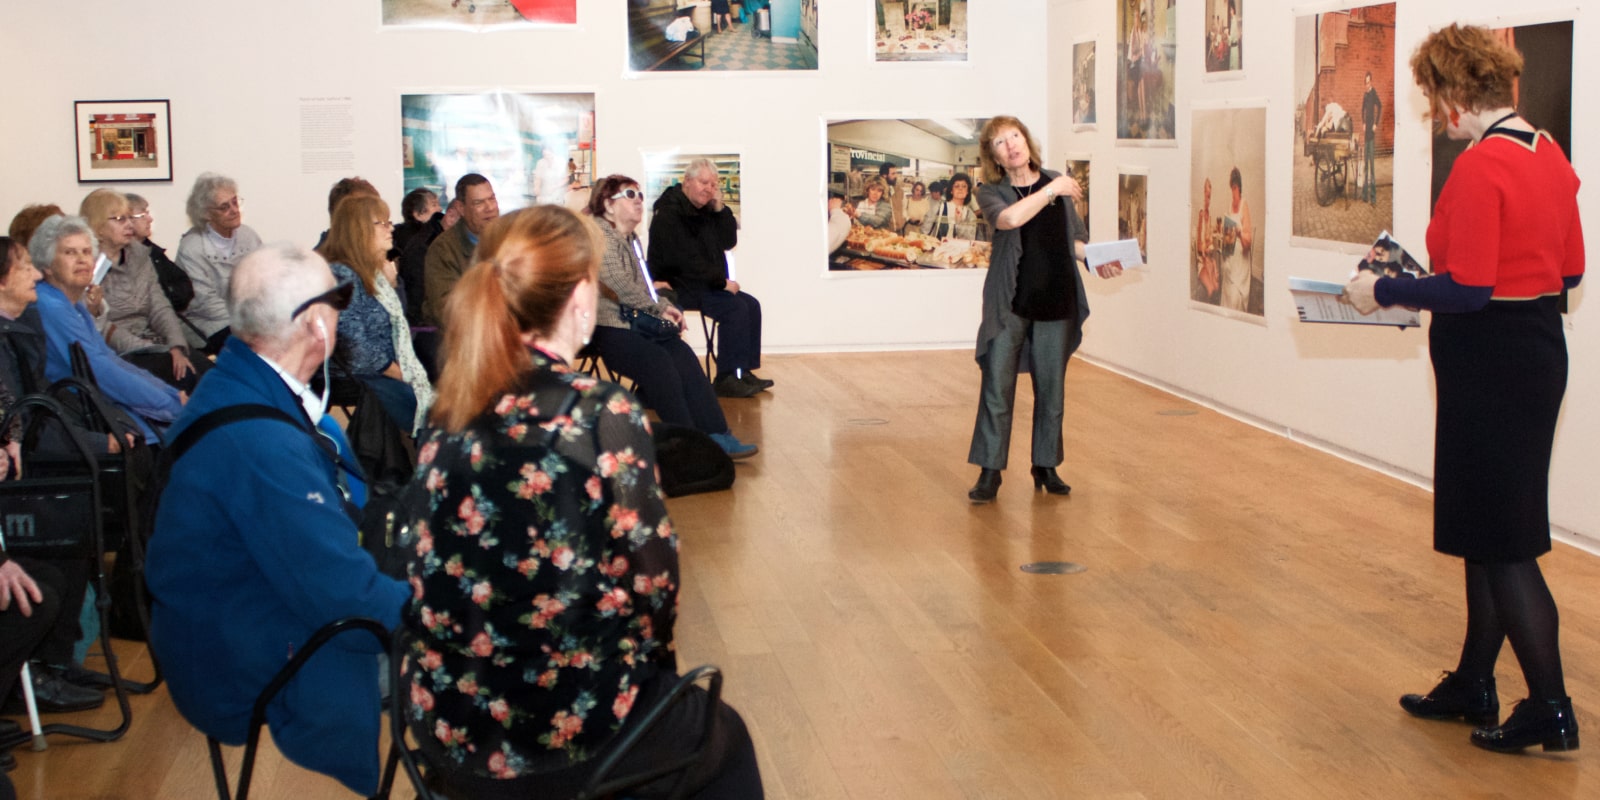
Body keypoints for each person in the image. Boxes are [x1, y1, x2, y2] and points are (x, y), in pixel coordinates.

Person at [400, 205, 763, 800]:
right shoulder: (599, 412)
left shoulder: (448, 411)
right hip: (563, 738)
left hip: (451, 724)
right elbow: (654, 589)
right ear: (580, 297)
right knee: (723, 736)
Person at [1344, 24, 1584, 754]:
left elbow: (1472, 286)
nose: (1434, 111)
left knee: (1507, 544)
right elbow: (1570, 275)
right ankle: (1476, 681)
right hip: (1535, 351)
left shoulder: (1481, 167)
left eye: (1433, 96)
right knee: (1490, 530)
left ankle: (1550, 707)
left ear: (1452, 94)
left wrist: (1383, 288)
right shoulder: (1548, 153)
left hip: (1491, 365)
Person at [145, 242, 411, 796]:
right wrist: (452, 615)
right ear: (317, 324)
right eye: (338, 299)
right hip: (239, 651)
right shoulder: (261, 445)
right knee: (483, 662)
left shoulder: (242, 382)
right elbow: (346, 597)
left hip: (228, 612)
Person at [0, 237, 111, 717]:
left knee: (78, 524)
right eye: (25, 267)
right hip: (24, 472)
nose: (37, 275)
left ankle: (56, 662)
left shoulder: (22, 323)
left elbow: (28, 410)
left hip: (25, 461)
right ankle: (32, 677)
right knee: (58, 535)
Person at [966, 116, 1099, 503]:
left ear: (1026, 140)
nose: (1011, 145)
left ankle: (1046, 465)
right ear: (993, 156)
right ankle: (990, 471)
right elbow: (1009, 220)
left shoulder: (1054, 179)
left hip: (1057, 299)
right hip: (1010, 304)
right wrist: (1051, 190)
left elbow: (1072, 241)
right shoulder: (991, 191)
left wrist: (1097, 258)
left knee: (1051, 389)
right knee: (997, 387)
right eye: (1000, 143)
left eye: (1015, 136)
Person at [586, 174, 757, 455]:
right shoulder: (600, 236)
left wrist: (657, 297)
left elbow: (637, 285)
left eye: (640, 195)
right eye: (630, 195)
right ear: (607, 204)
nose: (639, 201)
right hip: (613, 330)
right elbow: (620, 286)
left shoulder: (630, 239)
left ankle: (718, 435)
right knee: (661, 364)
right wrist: (662, 307)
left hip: (638, 323)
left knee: (684, 357)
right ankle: (690, 445)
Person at [31, 216, 184, 444]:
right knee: (183, 432)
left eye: (86, 252)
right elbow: (99, 370)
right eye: (70, 253)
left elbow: (110, 359)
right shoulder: (49, 306)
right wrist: (171, 405)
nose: (82, 260)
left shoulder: (74, 306)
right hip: (77, 416)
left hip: (94, 403)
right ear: (47, 265)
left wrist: (170, 396)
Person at [648, 159, 770, 398]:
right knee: (734, 308)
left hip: (702, 283)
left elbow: (728, 242)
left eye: (714, 185)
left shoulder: (704, 210)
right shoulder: (670, 212)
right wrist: (721, 283)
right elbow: (685, 260)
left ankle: (741, 371)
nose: (709, 189)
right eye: (704, 182)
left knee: (751, 305)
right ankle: (727, 378)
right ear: (687, 182)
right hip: (677, 285)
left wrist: (720, 209)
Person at [323, 194, 434, 434]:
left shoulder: (373, 271)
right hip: (357, 376)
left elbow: (400, 320)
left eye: (389, 221)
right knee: (428, 410)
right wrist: (402, 374)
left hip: (383, 368)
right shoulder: (343, 274)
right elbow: (357, 349)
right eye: (382, 223)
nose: (390, 228)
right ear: (358, 230)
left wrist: (394, 283)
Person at [78, 189, 205, 393]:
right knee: (185, 379)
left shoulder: (140, 255)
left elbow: (160, 306)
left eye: (129, 217)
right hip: (120, 351)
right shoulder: (85, 264)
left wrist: (176, 345)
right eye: (119, 219)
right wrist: (154, 349)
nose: (129, 225)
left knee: (211, 376)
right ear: (98, 227)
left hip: (156, 341)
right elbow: (103, 326)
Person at [175, 173, 262, 355]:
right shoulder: (192, 248)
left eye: (235, 202)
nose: (234, 210)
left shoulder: (248, 236)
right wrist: (248, 321)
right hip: (209, 324)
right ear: (206, 213)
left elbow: (265, 280)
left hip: (249, 318)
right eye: (224, 207)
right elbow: (204, 303)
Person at [424, 173, 499, 328]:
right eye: (479, 203)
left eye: (492, 199)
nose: (490, 208)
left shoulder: (511, 239)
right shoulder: (443, 250)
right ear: (460, 208)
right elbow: (446, 311)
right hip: (467, 340)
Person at [126, 193, 197, 318]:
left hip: (171, 317)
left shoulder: (153, 252)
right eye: (143, 215)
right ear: (126, 220)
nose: (150, 219)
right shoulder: (121, 258)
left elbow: (184, 285)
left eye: (147, 213)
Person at [1217, 167, 1253, 312]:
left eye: (1234, 189)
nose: (1232, 193)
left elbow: (1248, 242)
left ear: (1237, 187)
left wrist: (1238, 232)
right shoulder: (1230, 205)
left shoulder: (1244, 205)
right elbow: (1228, 235)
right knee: (1227, 293)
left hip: (1240, 263)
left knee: (1234, 298)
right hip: (1230, 258)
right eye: (1231, 189)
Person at [923, 173, 982, 241]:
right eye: (957, 186)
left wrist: (959, 223)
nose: (960, 188)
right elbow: (930, 229)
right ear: (951, 190)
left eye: (964, 186)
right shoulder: (941, 207)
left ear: (967, 191)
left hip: (963, 250)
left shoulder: (970, 213)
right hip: (942, 249)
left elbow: (972, 238)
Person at [394, 188, 442, 255]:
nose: (440, 209)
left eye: (438, 204)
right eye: (434, 205)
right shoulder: (416, 240)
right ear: (418, 214)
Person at [1194, 178, 1219, 302]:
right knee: (1210, 288)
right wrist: (1207, 247)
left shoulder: (1210, 215)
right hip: (1201, 262)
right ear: (1203, 194)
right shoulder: (1201, 214)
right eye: (1206, 196)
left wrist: (1209, 245)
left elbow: (1210, 241)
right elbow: (1200, 247)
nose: (1208, 200)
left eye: (1210, 197)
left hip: (1209, 259)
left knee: (1216, 286)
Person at [1362, 71, 1382, 205]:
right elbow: (1361, 110)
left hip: (1372, 133)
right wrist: (1363, 122)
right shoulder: (1365, 95)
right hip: (1365, 133)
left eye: (1369, 82)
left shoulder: (1373, 93)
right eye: (1366, 82)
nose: (1367, 84)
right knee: (1365, 165)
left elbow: (1380, 106)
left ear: (1371, 82)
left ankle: (1373, 196)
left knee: (1372, 166)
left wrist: (1376, 123)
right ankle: (1365, 195)